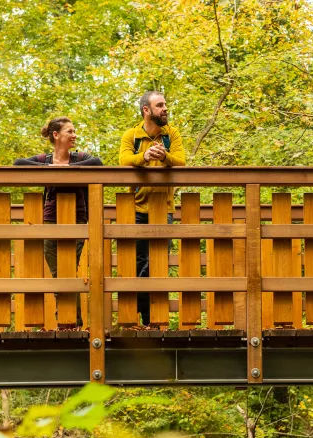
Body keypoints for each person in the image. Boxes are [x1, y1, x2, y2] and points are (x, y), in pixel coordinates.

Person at [14, 116, 102, 328]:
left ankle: (68, 322)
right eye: (69, 131)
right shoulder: (44, 160)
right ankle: (72, 321)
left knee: (68, 269)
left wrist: (65, 171)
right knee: (58, 271)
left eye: (74, 131)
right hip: (50, 220)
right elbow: (18, 164)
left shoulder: (80, 157)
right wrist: (51, 168)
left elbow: (98, 163)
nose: (74, 135)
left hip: (77, 220)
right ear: (56, 135)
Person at [118, 91, 186, 327]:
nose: (165, 108)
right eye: (160, 105)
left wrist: (164, 155)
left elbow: (182, 162)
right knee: (137, 262)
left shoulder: (171, 134)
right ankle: (145, 319)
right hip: (135, 208)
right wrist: (144, 156)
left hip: (163, 208)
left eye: (165, 104)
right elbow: (123, 162)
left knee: (158, 263)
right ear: (146, 110)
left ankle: (147, 315)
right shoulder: (131, 135)